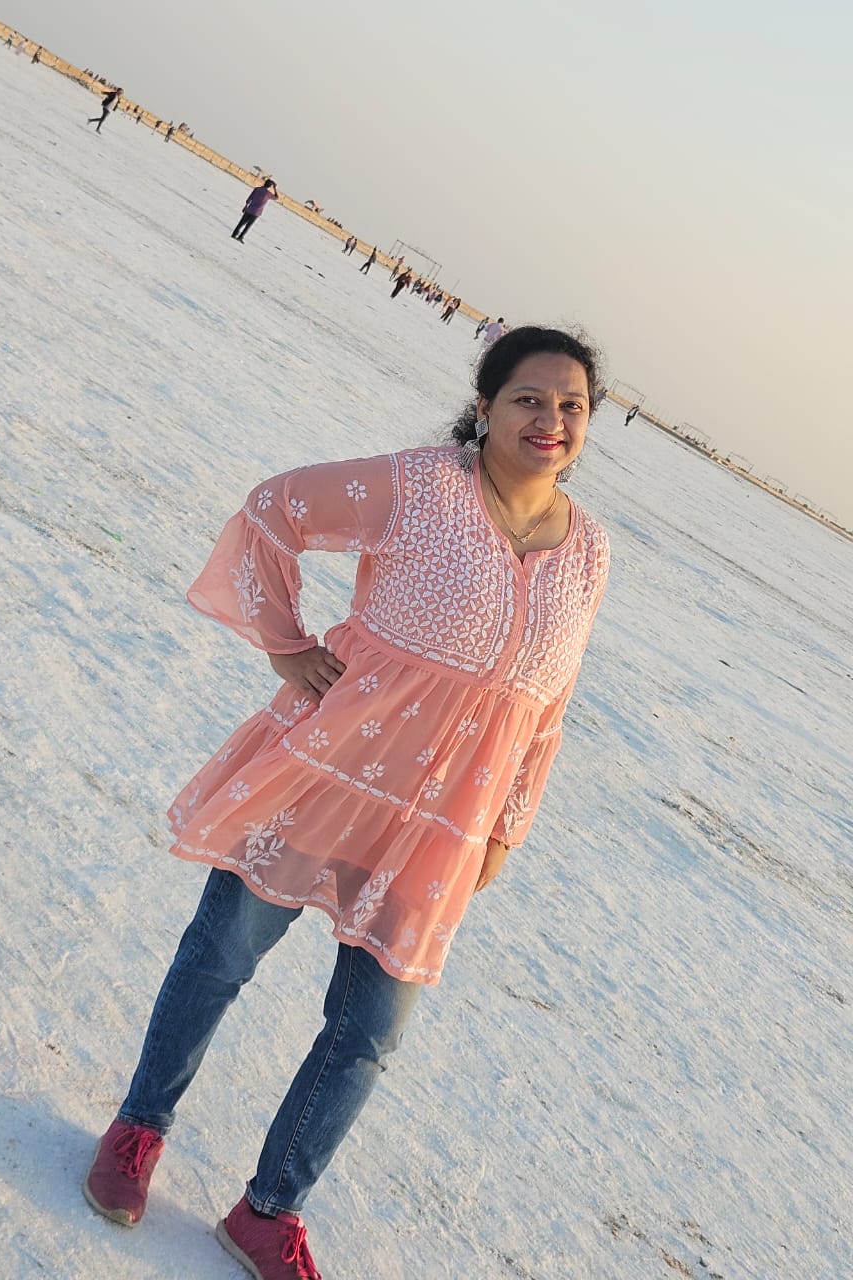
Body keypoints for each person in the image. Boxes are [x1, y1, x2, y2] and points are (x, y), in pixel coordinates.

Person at [82, 325, 611, 1280]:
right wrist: (287, 646)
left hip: (440, 824)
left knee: (369, 1032)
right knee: (221, 957)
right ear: (485, 407)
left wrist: (507, 825)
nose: (551, 420)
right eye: (529, 398)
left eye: (571, 405)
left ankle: (268, 1210)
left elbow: (549, 707)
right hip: (331, 774)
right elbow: (273, 510)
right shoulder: (419, 487)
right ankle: (138, 1128)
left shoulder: (590, 551)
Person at [231, 178, 278, 242]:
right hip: (257, 212)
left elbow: (249, 198)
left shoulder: (257, 189)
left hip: (249, 209)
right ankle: (240, 237)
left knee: (241, 223)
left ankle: (234, 234)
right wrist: (275, 188)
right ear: (270, 186)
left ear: (264, 183)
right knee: (248, 226)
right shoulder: (268, 194)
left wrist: (245, 206)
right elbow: (276, 197)